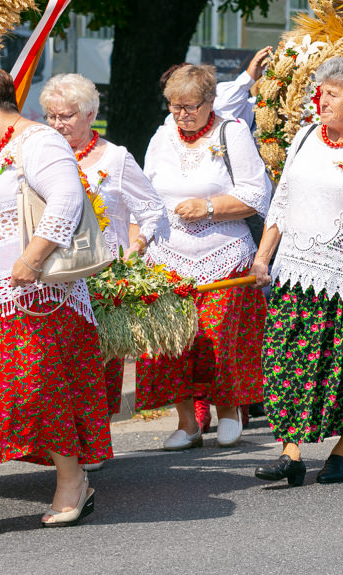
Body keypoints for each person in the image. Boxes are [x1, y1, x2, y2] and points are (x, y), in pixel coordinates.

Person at [0, 64, 111, 540]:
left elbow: (68, 201)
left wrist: (31, 260)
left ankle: (73, 482)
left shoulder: (38, 141)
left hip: (32, 299)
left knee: (42, 392)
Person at [250, 57, 343, 486]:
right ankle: (291, 454)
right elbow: (283, 201)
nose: (322, 99)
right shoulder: (306, 137)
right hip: (296, 270)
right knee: (284, 359)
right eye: (321, 91)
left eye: (332, 93)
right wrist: (263, 256)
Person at [137, 64, 272, 450]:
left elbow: (256, 196)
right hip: (168, 258)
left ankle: (228, 411)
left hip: (223, 254)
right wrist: (140, 240)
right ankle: (187, 423)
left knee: (219, 338)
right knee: (174, 343)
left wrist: (209, 207)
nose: (182, 114)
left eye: (190, 106)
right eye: (175, 106)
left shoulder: (232, 132)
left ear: (211, 101)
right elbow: (146, 195)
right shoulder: (162, 136)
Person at [40, 74, 166, 441]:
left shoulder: (116, 158)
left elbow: (152, 208)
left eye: (65, 116)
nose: (57, 124)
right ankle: (65, 439)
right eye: (50, 116)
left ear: (90, 113)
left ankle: (93, 439)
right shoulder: (44, 155)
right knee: (58, 361)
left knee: (99, 364)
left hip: (102, 274)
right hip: (54, 272)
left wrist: (136, 246)